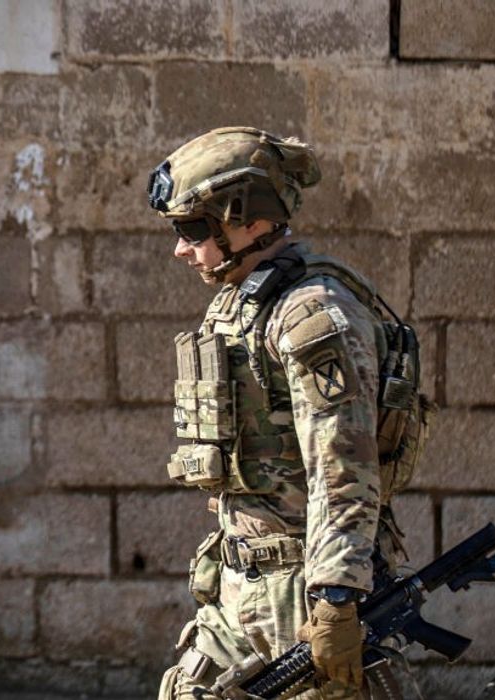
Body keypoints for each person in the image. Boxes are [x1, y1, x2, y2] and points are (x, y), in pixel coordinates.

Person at [146, 127, 428, 699]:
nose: (181, 247)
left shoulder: (311, 315)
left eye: (192, 228)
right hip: (239, 587)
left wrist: (336, 600)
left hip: (302, 593)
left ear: (248, 217)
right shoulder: (245, 300)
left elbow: (343, 468)